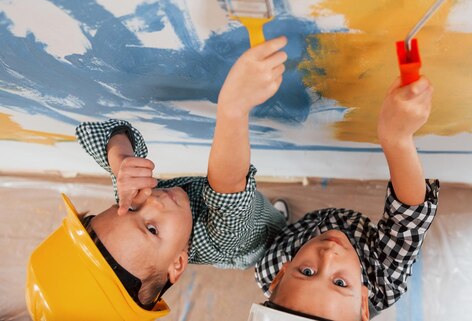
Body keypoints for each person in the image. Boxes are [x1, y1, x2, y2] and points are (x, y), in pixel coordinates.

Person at [25, 37, 290, 321]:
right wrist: (233, 109)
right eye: (151, 229)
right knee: (277, 232)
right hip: (254, 241)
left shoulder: (130, 202)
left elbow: (104, 131)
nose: (151, 200)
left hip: (247, 211)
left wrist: (121, 160)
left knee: (255, 208)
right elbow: (229, 187)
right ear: (178, 263)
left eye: (130, 209)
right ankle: (282, 225)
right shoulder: (222, 240)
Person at [253, 76, 439, 321]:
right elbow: (409, 217)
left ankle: (281, 221)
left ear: (280, 276)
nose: (329, 254)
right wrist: (398, 140)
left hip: (300, 232)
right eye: (340, 282)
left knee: (273, 230)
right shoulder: (384, 283)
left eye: (307, 271)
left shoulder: (268, 267)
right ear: (363, 303)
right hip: (363, 236)